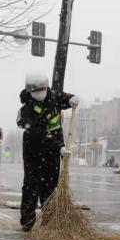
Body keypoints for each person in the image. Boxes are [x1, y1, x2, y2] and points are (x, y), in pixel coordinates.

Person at [17, 73, 80, 231]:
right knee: (32, 184)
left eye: (42, 90)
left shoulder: (53, 97)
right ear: (30, 91)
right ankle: (27, 221)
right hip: (34, 150)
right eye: (35, 91)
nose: (39, 94)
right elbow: (40, 134)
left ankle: (49, 219)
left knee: (50, 184)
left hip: (53, 152)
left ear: (46, 88)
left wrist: (71, 99)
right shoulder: (26, 110)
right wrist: (59, 146)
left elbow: (64, 97)